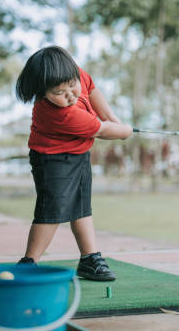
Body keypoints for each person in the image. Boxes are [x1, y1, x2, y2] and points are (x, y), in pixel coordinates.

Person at [14, 46, 132, 281]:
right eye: (59, 92)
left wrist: (111, 115)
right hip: (52, 160)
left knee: (81, 205)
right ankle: (29, 263)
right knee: (52, 210)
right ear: (43, 93)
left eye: (71, 85)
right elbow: (102, 130)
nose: (70, 95)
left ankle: (89, 259)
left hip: (77, 154)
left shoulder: (73, 74)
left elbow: (90, 87)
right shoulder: (63, 114)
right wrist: (125, 131)